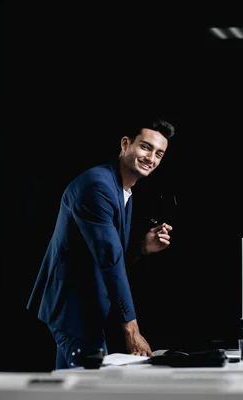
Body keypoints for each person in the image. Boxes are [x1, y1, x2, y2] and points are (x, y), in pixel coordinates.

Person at [26, 117, 175, 369]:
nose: (151, 158)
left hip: (86, 310)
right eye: (146, 147)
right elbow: (109, 259)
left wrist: (142, 247)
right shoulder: (97, 186)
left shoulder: (123, 191)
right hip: (72, 308)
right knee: (91, 389)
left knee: (71, 389)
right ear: (126, 144)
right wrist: (132, 330)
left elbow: (106, 255)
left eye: (159, 154)